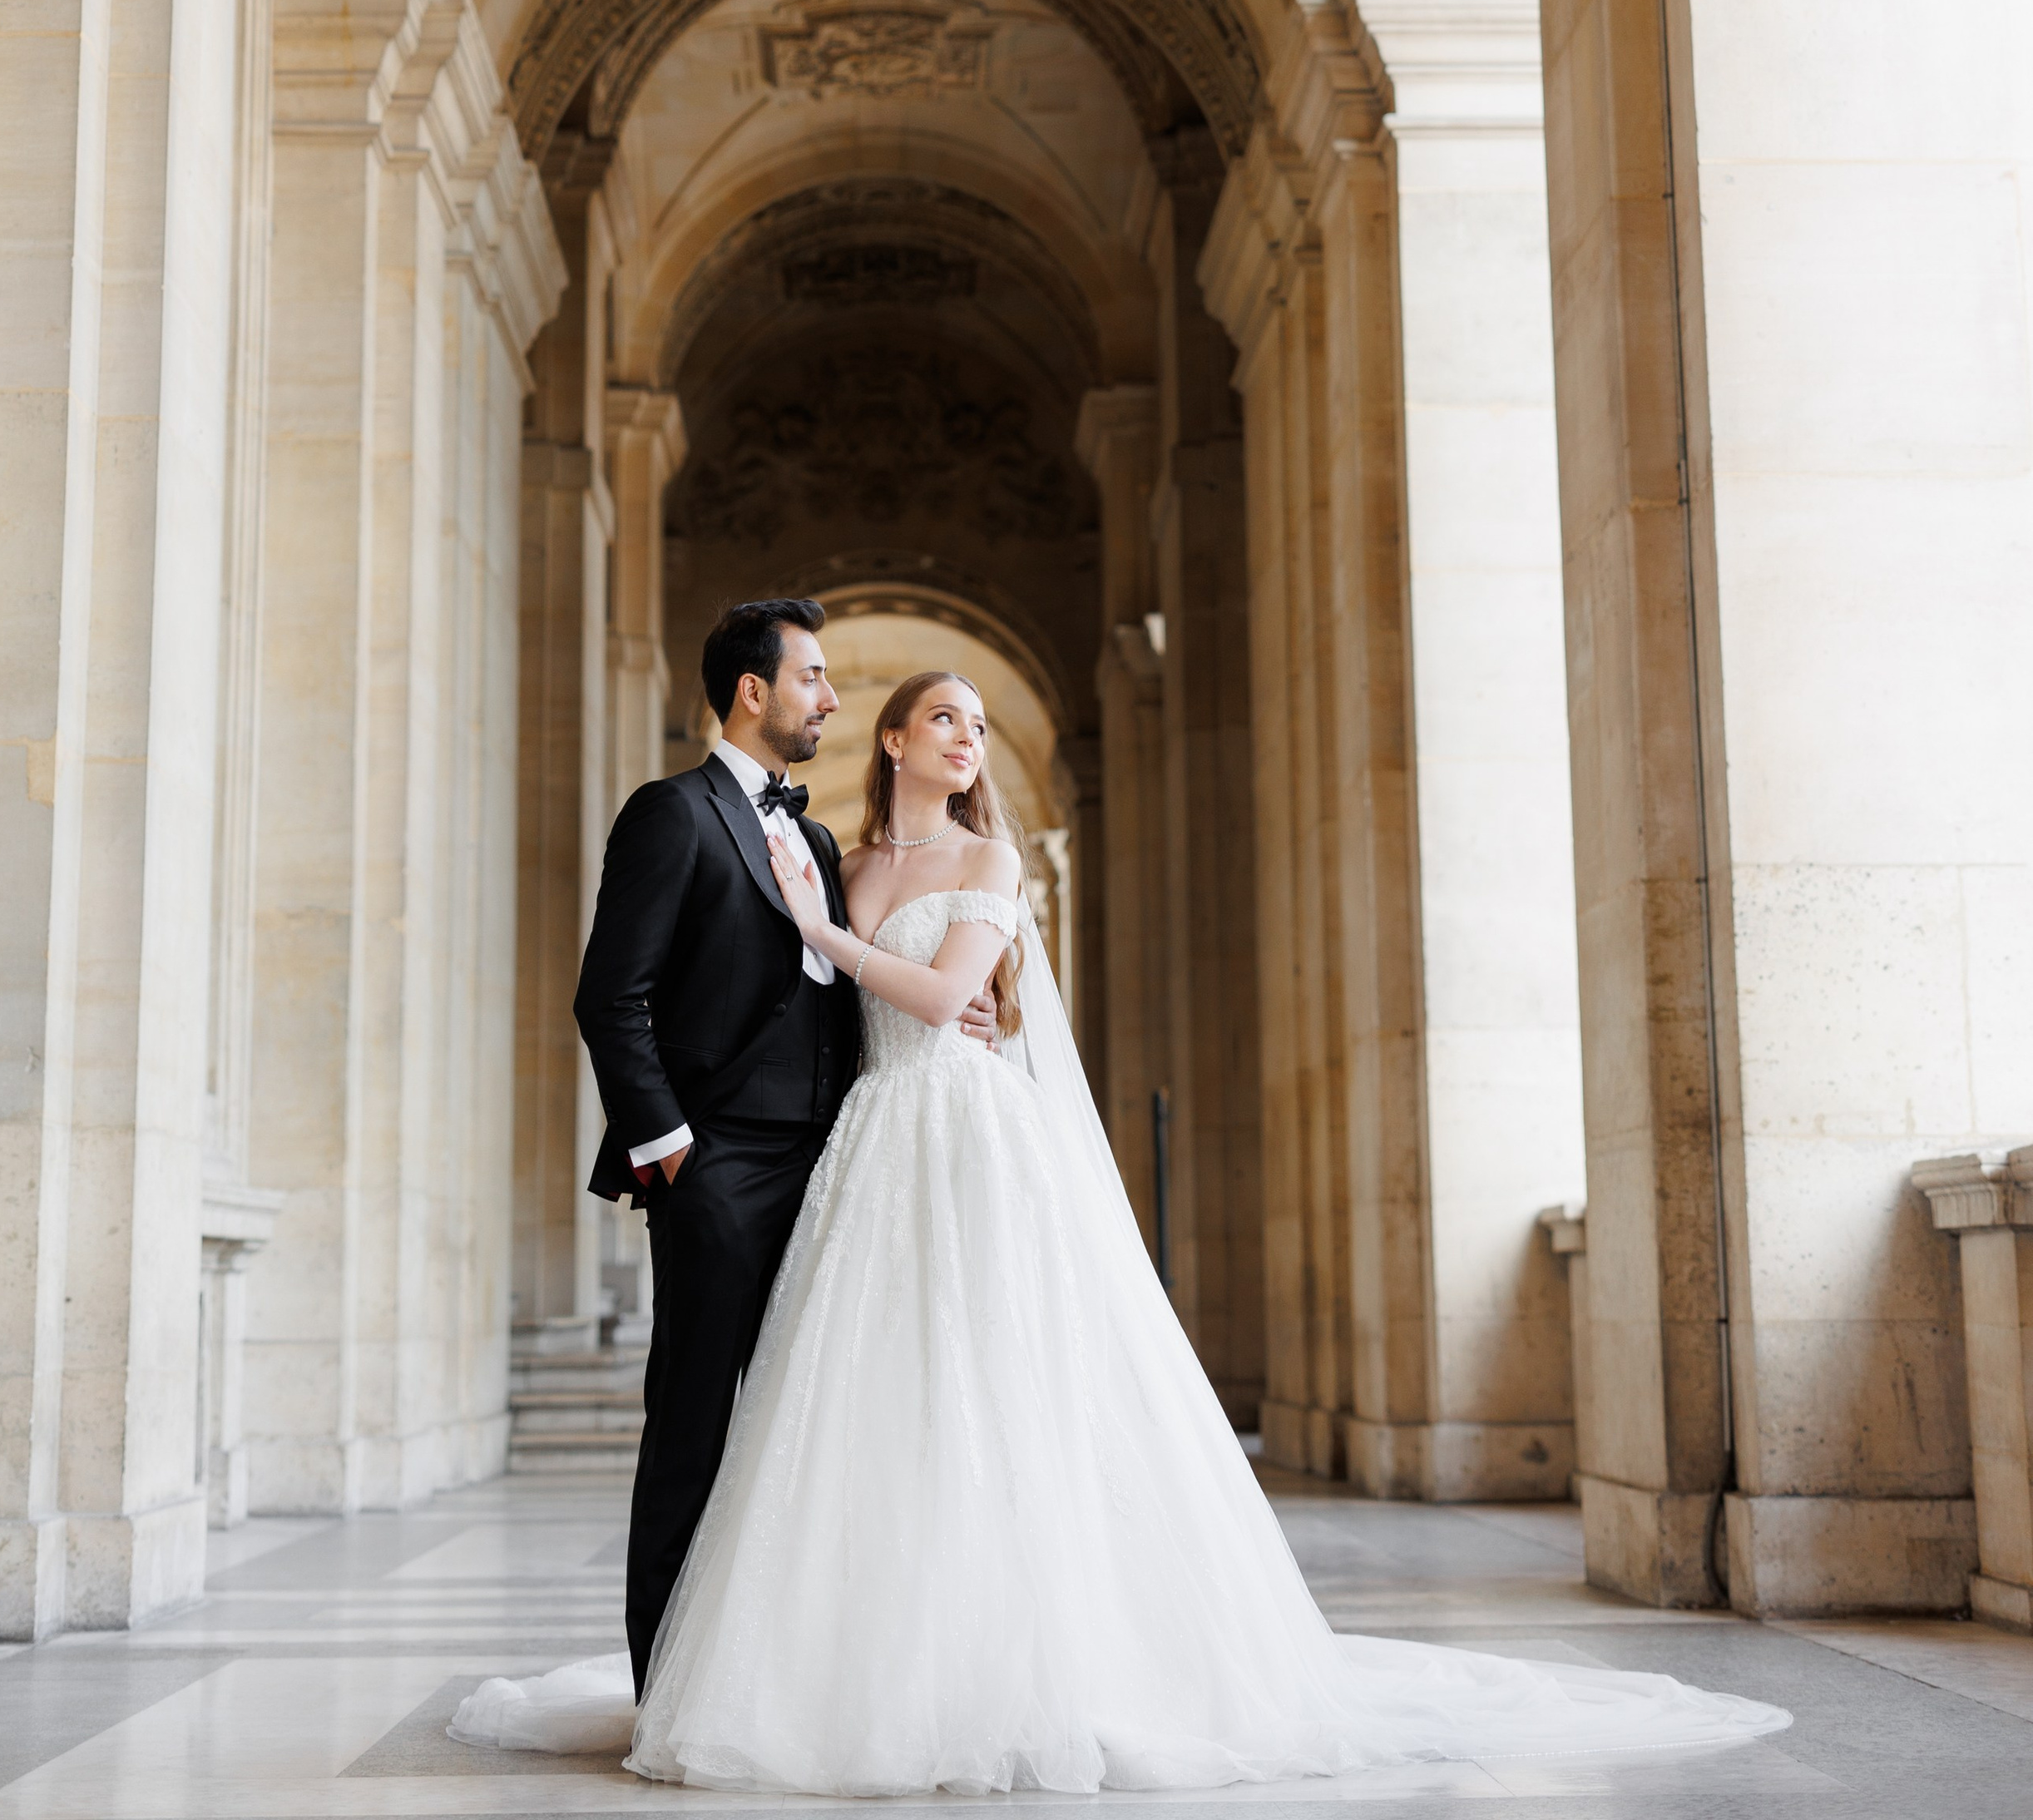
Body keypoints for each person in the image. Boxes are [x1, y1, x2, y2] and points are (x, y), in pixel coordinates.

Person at [458, 670, 1790, 1791]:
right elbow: (807, 999)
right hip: (864, 1150)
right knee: (869, 1409)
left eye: (980, 724)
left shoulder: (988, 858)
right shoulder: (838, 857)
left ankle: (1025, 1666)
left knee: (997, 1395)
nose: (968, 740)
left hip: (964, 1141)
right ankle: (877, 1654)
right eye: (946, 720)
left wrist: (849, 949)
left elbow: (943, 995)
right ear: (894, 738)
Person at [550, 598, 995, 1694]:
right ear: (754, 690)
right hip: (719, 1166)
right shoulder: (672, 813)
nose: (831, 699)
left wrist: (954, 1014)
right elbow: (613, 998)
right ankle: (667, 1690)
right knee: (696, 1427)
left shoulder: (814, 837)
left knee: (815, 1423)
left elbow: (848, 985)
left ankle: (799, 1674)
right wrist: (672, 1155)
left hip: (840, 1165)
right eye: (813, 678)